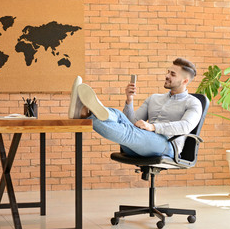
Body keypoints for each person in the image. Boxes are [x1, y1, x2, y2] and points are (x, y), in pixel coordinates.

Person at [68, 58, 202, 158]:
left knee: (129, 132)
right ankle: (87, 113)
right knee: (119, 116)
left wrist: (153, 127)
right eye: (168, 72)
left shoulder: (193, 103)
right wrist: (129, 99)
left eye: (173, 74)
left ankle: (86, 113)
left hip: (167, 146)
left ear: (185, 81)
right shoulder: (154, 98)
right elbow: (132, 121)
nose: (167, 76)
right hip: (140, 141)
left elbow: (185, 126)